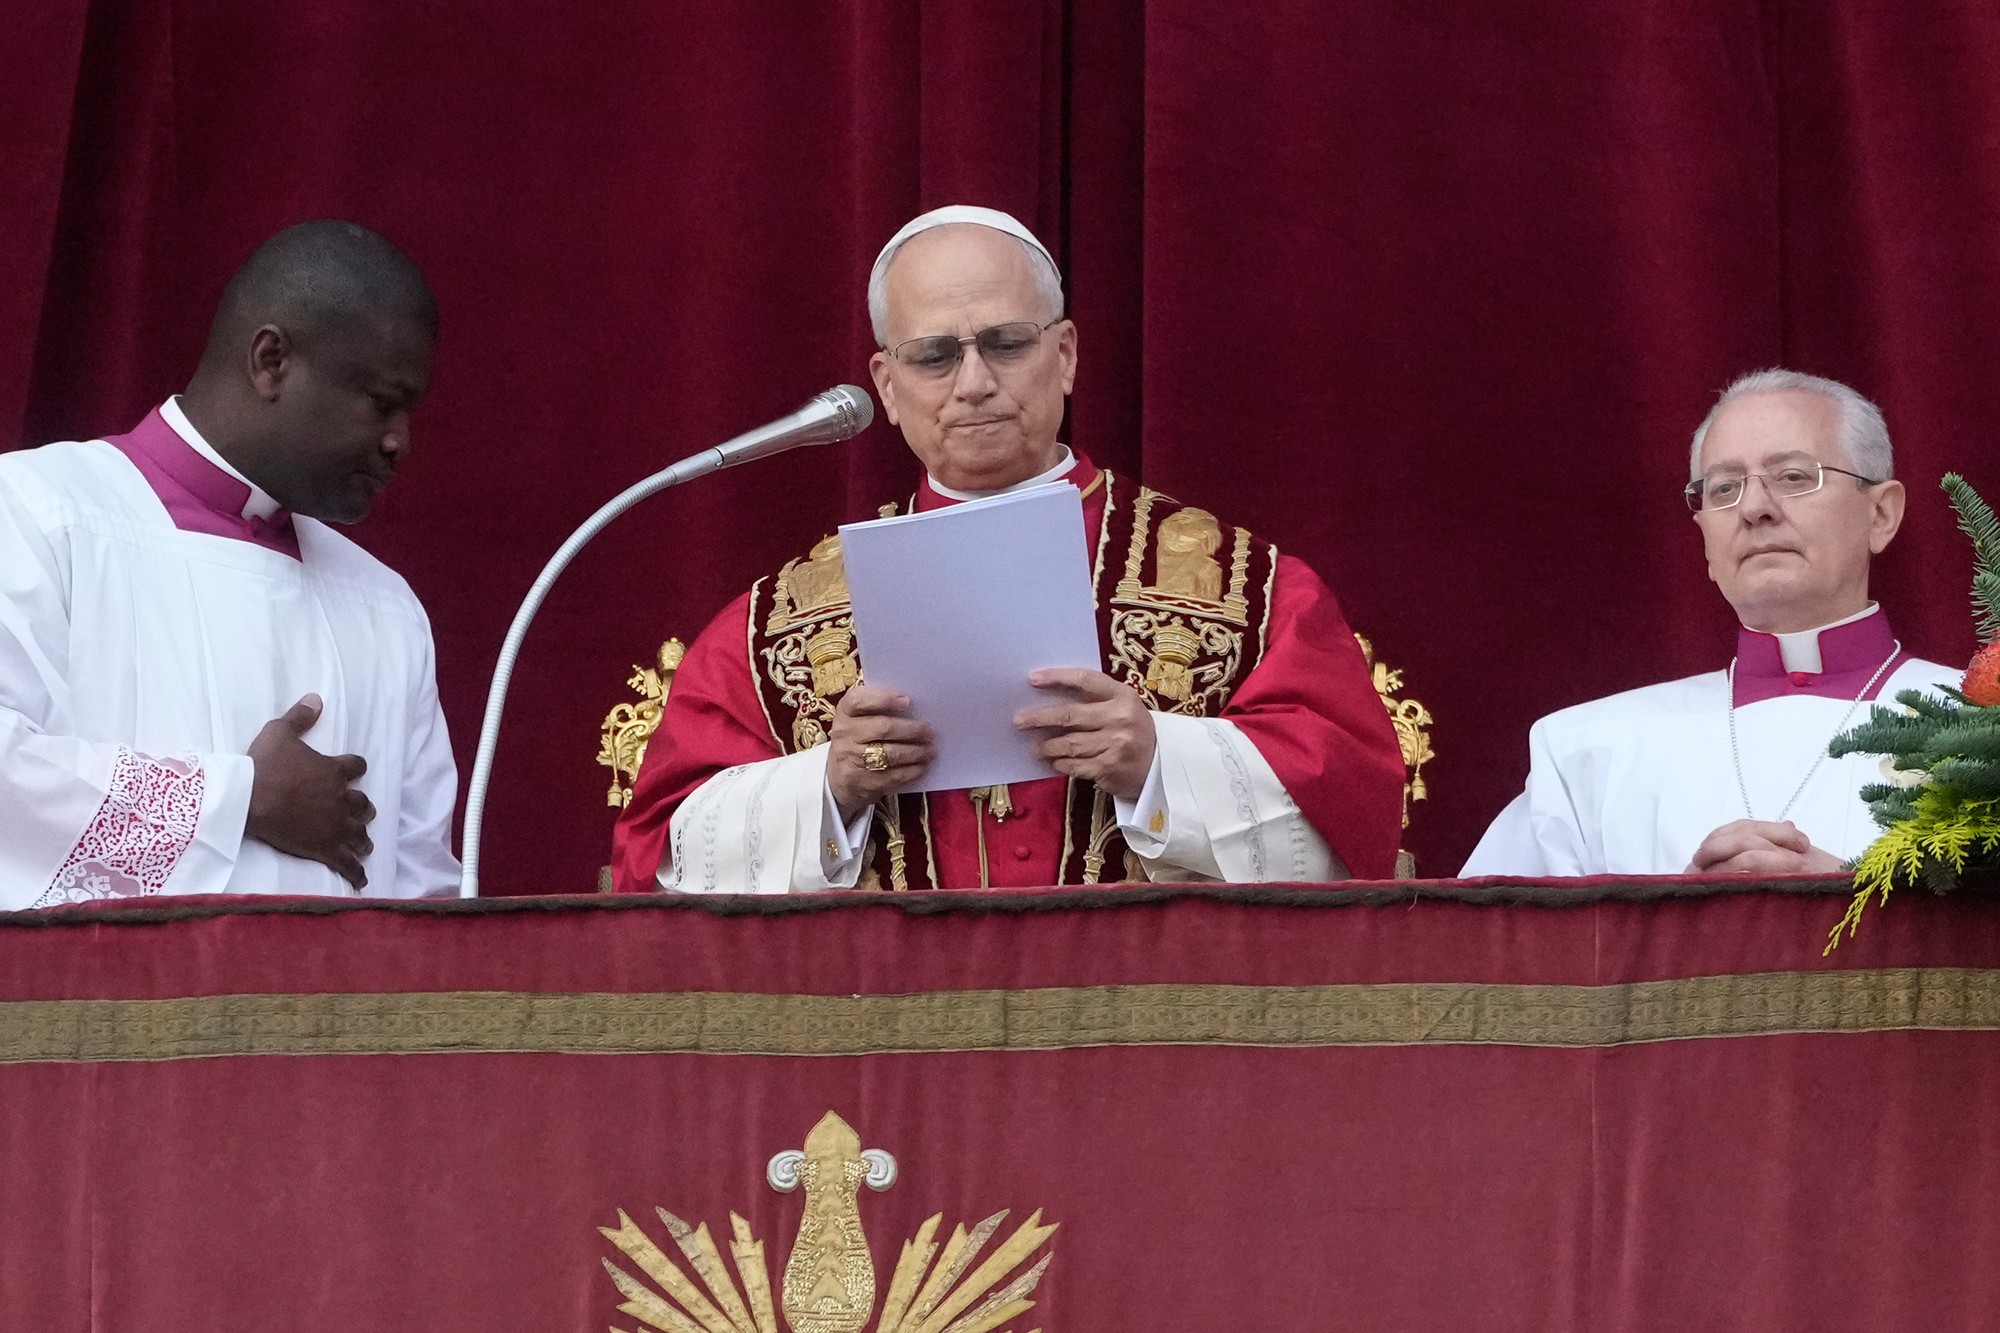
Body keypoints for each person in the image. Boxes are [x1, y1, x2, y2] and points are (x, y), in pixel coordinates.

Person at [612, 205, 1405, 893]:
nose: (974, 382)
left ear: (1063, 357)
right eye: (935, 356)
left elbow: (1355, 812)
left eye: (1005, 343)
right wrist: (829, 785)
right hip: (888, 1047)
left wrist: (1160, 760)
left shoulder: (1250, 591)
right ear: (886, 386)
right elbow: (658, 857)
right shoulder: (777, 622)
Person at [0, 220, 460, 907]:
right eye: (382, 404)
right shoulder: (37, 511)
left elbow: (425, 891)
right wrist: (238, 798)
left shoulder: (385, 605)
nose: (399, 442)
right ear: (271, 360)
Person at [1462, 369, 1960, 877]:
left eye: (1793, 477)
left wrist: (1851, 900)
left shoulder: (1979, 725)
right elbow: (1491, 948)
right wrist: (1681, 925)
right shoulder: (1585, 752)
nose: (1754, 509)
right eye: (1723, 488)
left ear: (1881, 514)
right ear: (1704, 540)